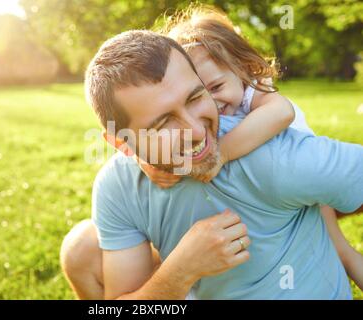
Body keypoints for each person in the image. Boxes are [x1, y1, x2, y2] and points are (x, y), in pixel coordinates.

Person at [61, 29, 363, 299]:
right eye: (164, 122)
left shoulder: (269, 157)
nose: (195, 131)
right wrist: (181, 270)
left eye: (195, 97)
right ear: (122, 143)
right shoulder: (119, 185)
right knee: (80, 246)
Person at [137, 6, 363, 291]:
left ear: (246, 70)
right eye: (196, 94)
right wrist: (147, 161)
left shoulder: (255, 93)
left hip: (304, 179)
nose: (210, 103)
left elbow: (283, 113)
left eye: (216, 87)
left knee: (341, 250)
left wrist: (222, 155)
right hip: (275, 200)